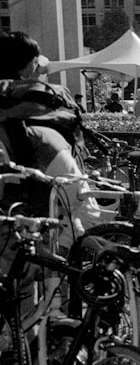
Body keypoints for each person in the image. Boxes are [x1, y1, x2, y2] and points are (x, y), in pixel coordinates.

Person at [0, 31, 101, 241]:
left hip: (14, 167)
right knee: (88, 214)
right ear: (28, 63)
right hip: (48, 151)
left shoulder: (4, 92)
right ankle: (60, 264)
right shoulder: (45, 91)